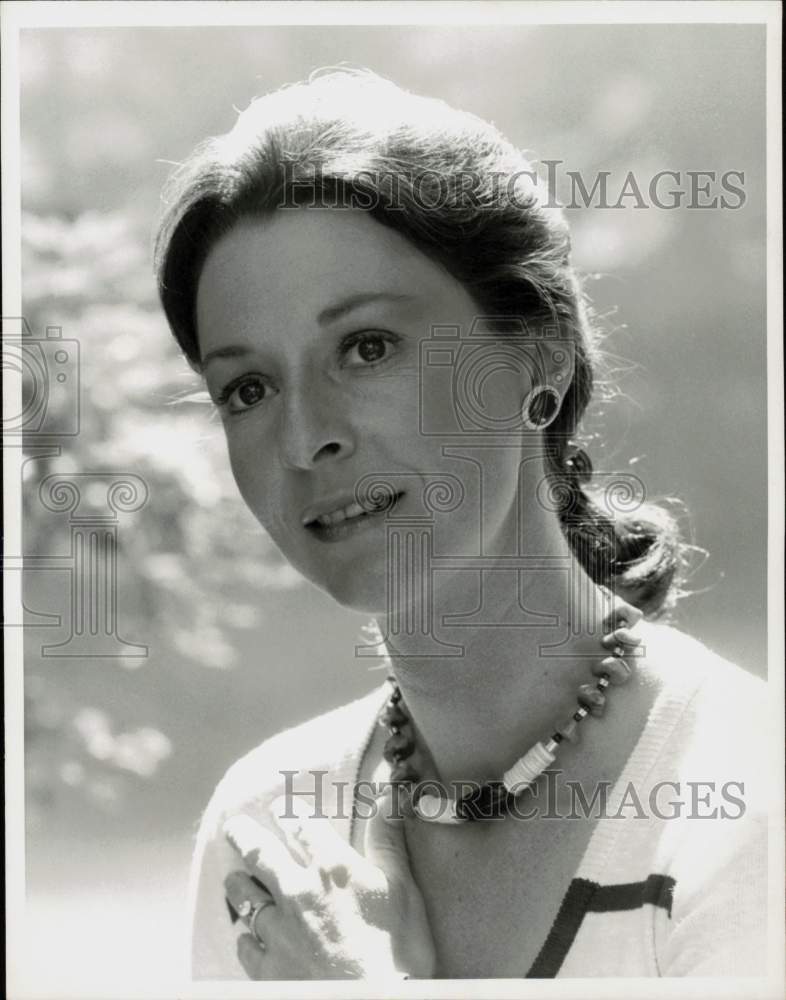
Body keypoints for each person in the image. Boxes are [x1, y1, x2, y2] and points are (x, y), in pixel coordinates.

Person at [154, 70, 767, 980]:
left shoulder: (747, 804)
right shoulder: (271, 828)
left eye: (367, 347)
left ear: (538, 353)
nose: (306, 435)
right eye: (248, 388)